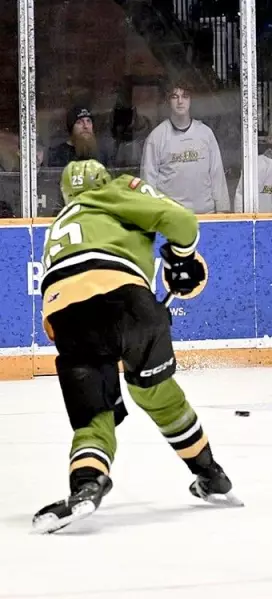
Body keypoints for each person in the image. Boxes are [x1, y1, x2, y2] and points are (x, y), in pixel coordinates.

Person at [32, 159, 239, 534]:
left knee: (95, 414)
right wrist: (181, 257)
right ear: (103, 181)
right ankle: (210, 474)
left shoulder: (58, 224)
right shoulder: (114, 190)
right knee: (157, 393)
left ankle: (86, 487)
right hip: (127, 300)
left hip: (66, 314)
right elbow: (182, 222)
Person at [140, 81, 230, 214]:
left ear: (191, 100)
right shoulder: (156, 137)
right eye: (175, 97)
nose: (180, 101)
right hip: (171, 216)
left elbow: (217, 175)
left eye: (185, 96)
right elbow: (148, 180)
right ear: (168, 101)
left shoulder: (206, 134)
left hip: (206, 214)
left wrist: (222, 210)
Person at [47, 106, 112, 168]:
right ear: (71, 128)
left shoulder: (102, 152)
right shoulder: (58, 154)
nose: (86, 126)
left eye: (88, 121)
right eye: (79, 122)